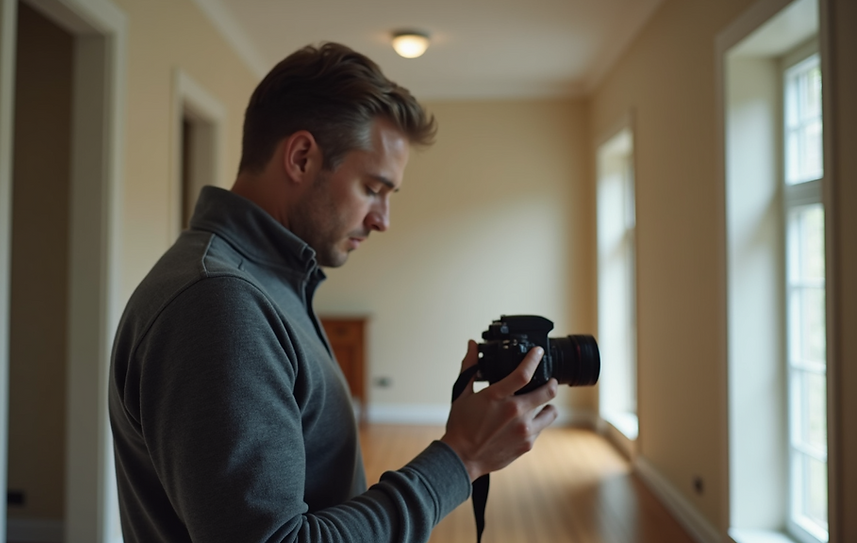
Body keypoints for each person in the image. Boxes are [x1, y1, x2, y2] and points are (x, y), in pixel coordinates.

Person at [108, 42, 559, 543]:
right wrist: (461, 458)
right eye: (373, 188)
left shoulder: (263, 284)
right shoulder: (219, 302)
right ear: (301, 157)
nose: (382, 220)